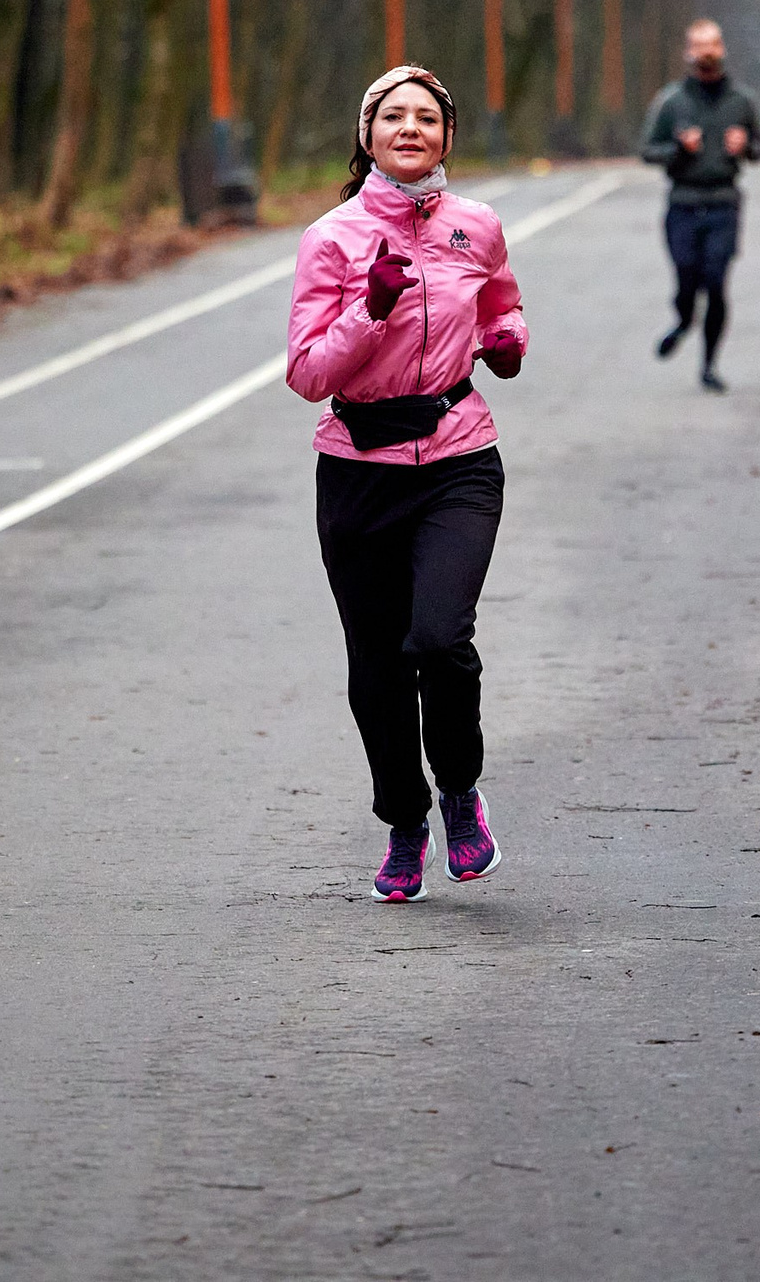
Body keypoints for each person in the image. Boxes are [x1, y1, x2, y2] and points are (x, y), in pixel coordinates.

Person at [287, 66, 527, 903]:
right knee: (377, 665)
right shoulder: (332, 238)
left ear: (447, 138)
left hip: (459, 456)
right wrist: (371, 310)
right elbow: (309, 374)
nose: (412, 128)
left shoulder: (479, 226)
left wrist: (505, 340)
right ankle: (405, 821)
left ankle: (461, 793)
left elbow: (503, 306)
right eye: (395, 116)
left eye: (428, 117)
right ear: (369, 135)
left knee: (438, 638)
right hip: (358, 473)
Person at [640, 17, 760, 392]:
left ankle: (709, 364)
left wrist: (745, 147)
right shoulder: (671, 101)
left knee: (716, 282)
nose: (705, 52)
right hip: (682, 203)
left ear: (721, 49)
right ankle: (682, 321)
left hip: (724, 202)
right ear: (688, 52)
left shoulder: (741, 101)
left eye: (711, 44)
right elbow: (647, 150)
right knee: (686, 279)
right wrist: (679, 149)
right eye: (698, 45)